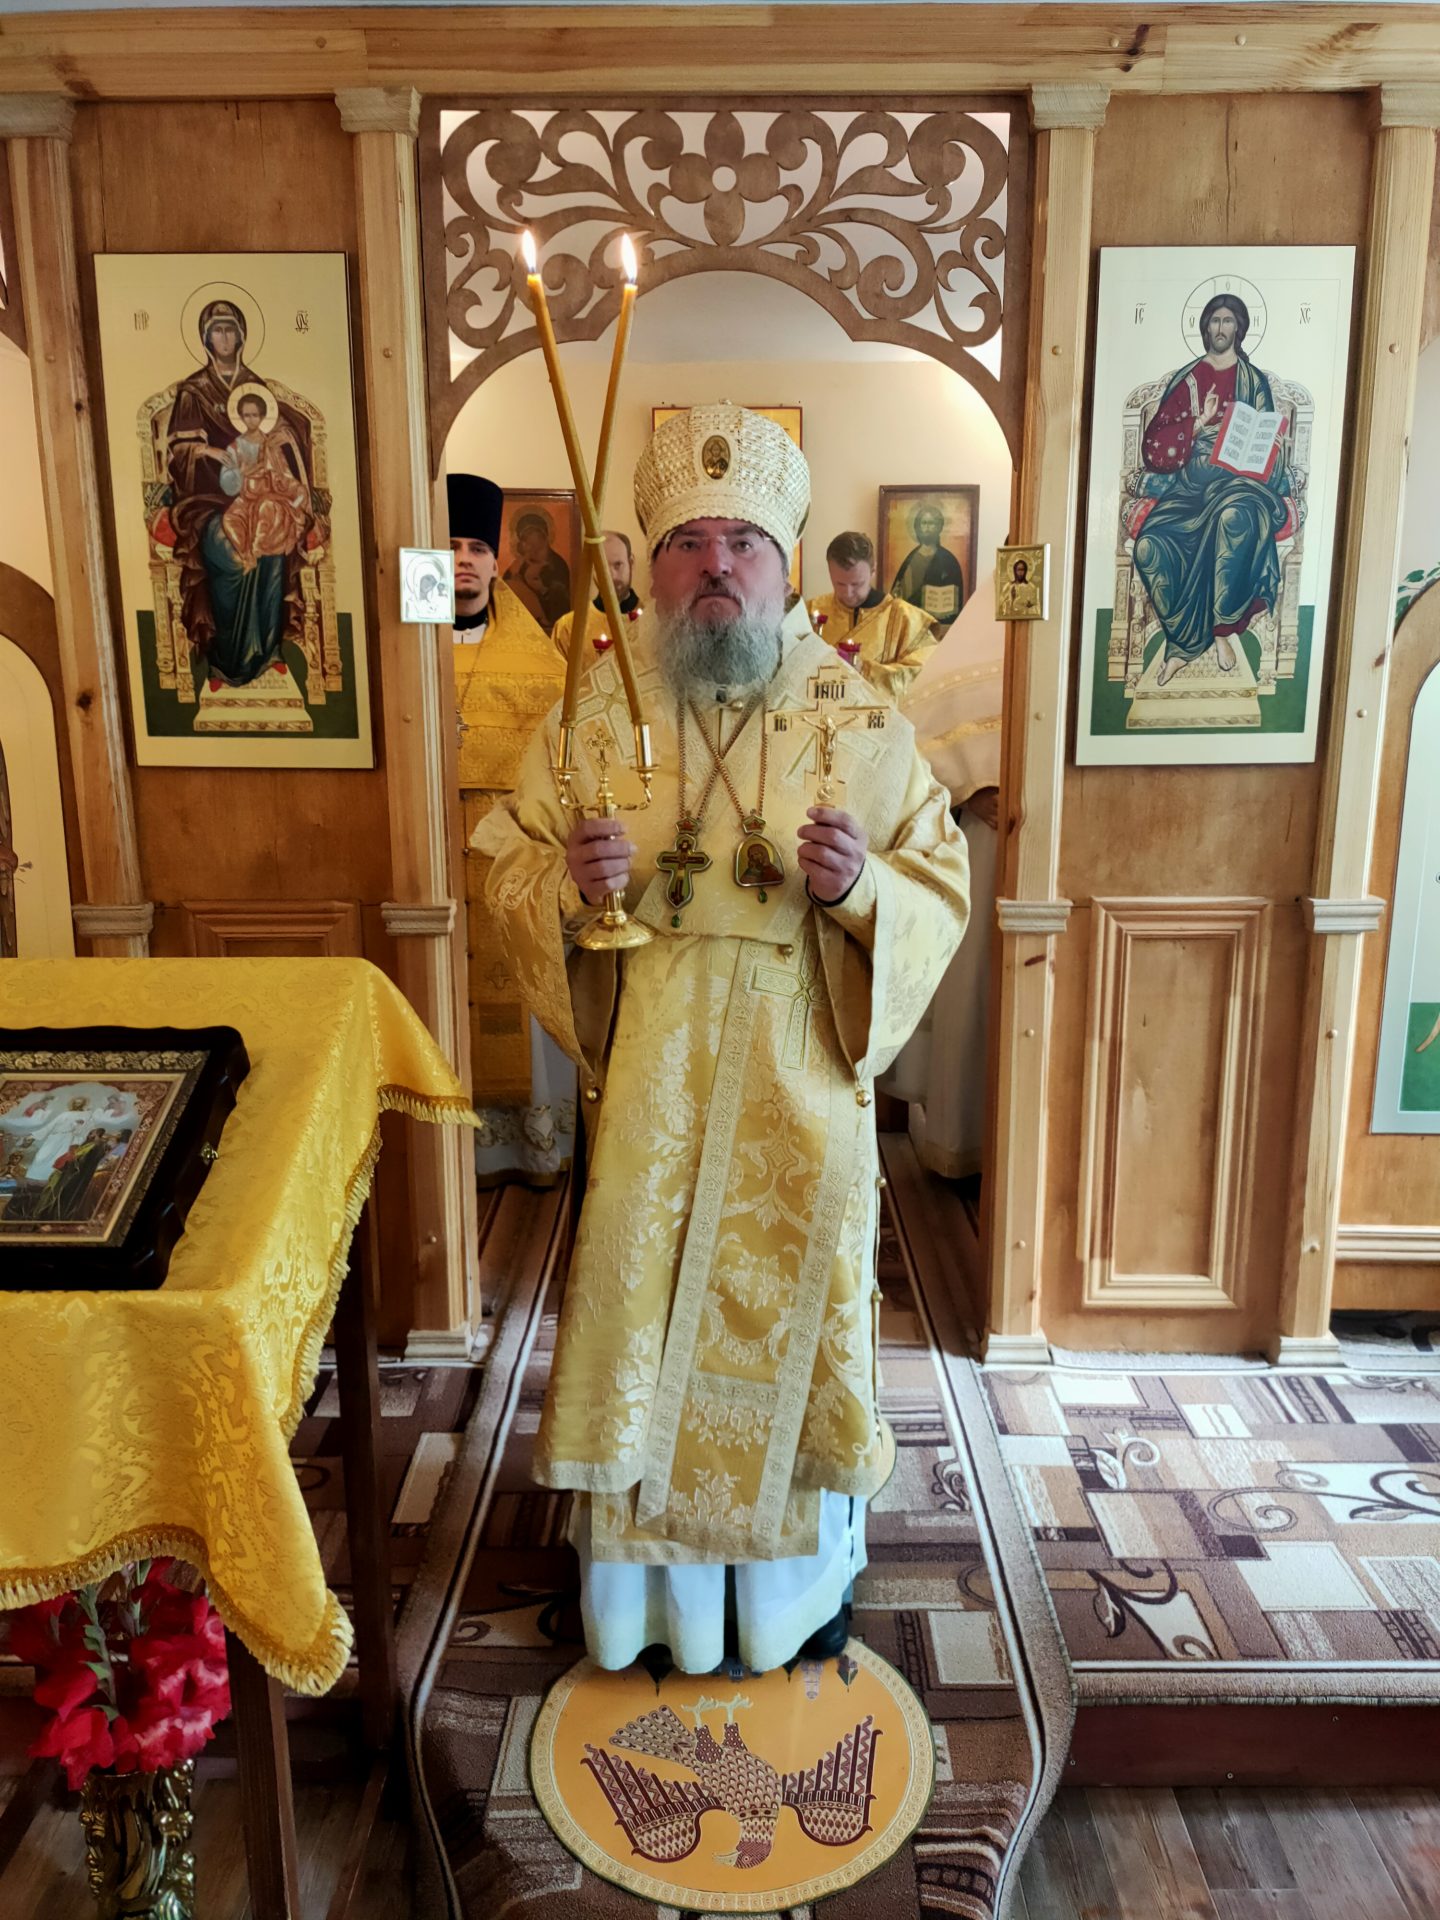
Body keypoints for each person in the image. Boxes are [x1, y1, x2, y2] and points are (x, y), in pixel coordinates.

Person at [478, 405, 969, 1674]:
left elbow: (939, 880)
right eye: (687, 542)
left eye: (742, 542)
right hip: (650, 1081)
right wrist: (569, 888)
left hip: (799, 1080)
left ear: (784, 562)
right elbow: (505, 866)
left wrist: (862, 890)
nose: (715, 566)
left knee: (789, 1335)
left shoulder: (860, 716)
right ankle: (647, 1612)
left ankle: (791, 1600)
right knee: (646, 1321)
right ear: (649, 567)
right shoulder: (590, 715)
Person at [448, 472, 574, 1187]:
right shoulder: (400, 654)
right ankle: (443, 1150)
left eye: (475, 548)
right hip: (428, 860)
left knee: (518, 997)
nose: (463, 561)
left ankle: (524, 1149)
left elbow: (562, 767)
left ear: (497, 561)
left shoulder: (538, 664)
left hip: (507, 855)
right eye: (450, 548)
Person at [1131, 293, 1295, 688]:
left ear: (1239, 328)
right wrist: (1199, 425)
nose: (1221, 329)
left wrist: (1266, 447)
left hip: (1241, 484)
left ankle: (1223, 629)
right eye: (1215, 321)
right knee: (1149, 546)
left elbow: (1266, 439)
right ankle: (1183, 643)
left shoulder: (1253, 381)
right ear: (1205, 327)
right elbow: (1154, 447)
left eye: (1228, 321)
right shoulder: (1188, 378)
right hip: (1190, 488)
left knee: (1233, 517)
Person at [166, 299, 318, 690]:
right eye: (217, 330)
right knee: (230, 555)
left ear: (242, 336)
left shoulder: (256, 387)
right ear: (205, 338)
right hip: (208, 498)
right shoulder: (193, 391)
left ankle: (268, 651)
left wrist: (281, 439)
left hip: (262, 493)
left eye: (230, 329)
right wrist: (211, 452)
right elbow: (179, 451)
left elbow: (282, 436)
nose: (224, 337)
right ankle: (224, 661)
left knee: (274, 541)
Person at [810, 529, 940, 704]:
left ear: (873, 570)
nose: (848, 593)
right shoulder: (810, 611)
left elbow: (923, 676)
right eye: (839, 584)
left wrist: (865, 671)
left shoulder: (907, 619)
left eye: (857, 584)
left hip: (881, 719)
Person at [219, 386, 311, 574]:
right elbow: (227, 484)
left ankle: (256, 550)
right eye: (246, 415)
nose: (250, 419)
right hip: (246, 499)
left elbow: (284, 475)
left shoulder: (272, 445)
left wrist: (296, 489)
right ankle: (247, 556)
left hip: (271, 496)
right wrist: (241, 473)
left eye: (255, 415)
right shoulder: (234, 447)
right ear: (241, 417)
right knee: (229, 518)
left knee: (266, 508)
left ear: (262, 417)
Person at [550, 530, 643, 658]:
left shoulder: (656, 622)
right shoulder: (569, 628)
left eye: (618, 565)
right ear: (592, 568)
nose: (611, 576)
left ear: (631, 563)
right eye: (601, 567)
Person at [890, 500, 967, 629]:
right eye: (923, 523)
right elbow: (897, 594)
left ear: (939, 527)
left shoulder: (949, 560)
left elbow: (954, 601)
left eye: (931, 523)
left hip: (937, 626)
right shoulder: (911, 559)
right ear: (918, 527)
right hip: (911, 626)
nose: (926, 528)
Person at [503, 509, 573, 632]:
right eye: (526, 542)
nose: (531, 548)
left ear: (544, 539)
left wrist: (541, 589)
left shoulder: (557, 564)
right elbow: (503, 588)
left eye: (535, 543)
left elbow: (561, 596)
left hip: (549, 623)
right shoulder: (521, 562)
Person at [997, 556, 1041, 620]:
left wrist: (1029, 605)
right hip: (1011, 618)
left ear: (1025, 571)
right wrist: (1012, 599)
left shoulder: (1031, 586)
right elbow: (1001, 605)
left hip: (1026, 618)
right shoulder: (1008, 586)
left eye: (1022, 569)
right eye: (1018, 569)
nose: (1020, 572)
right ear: (1015, 571)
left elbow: (1036, 607)